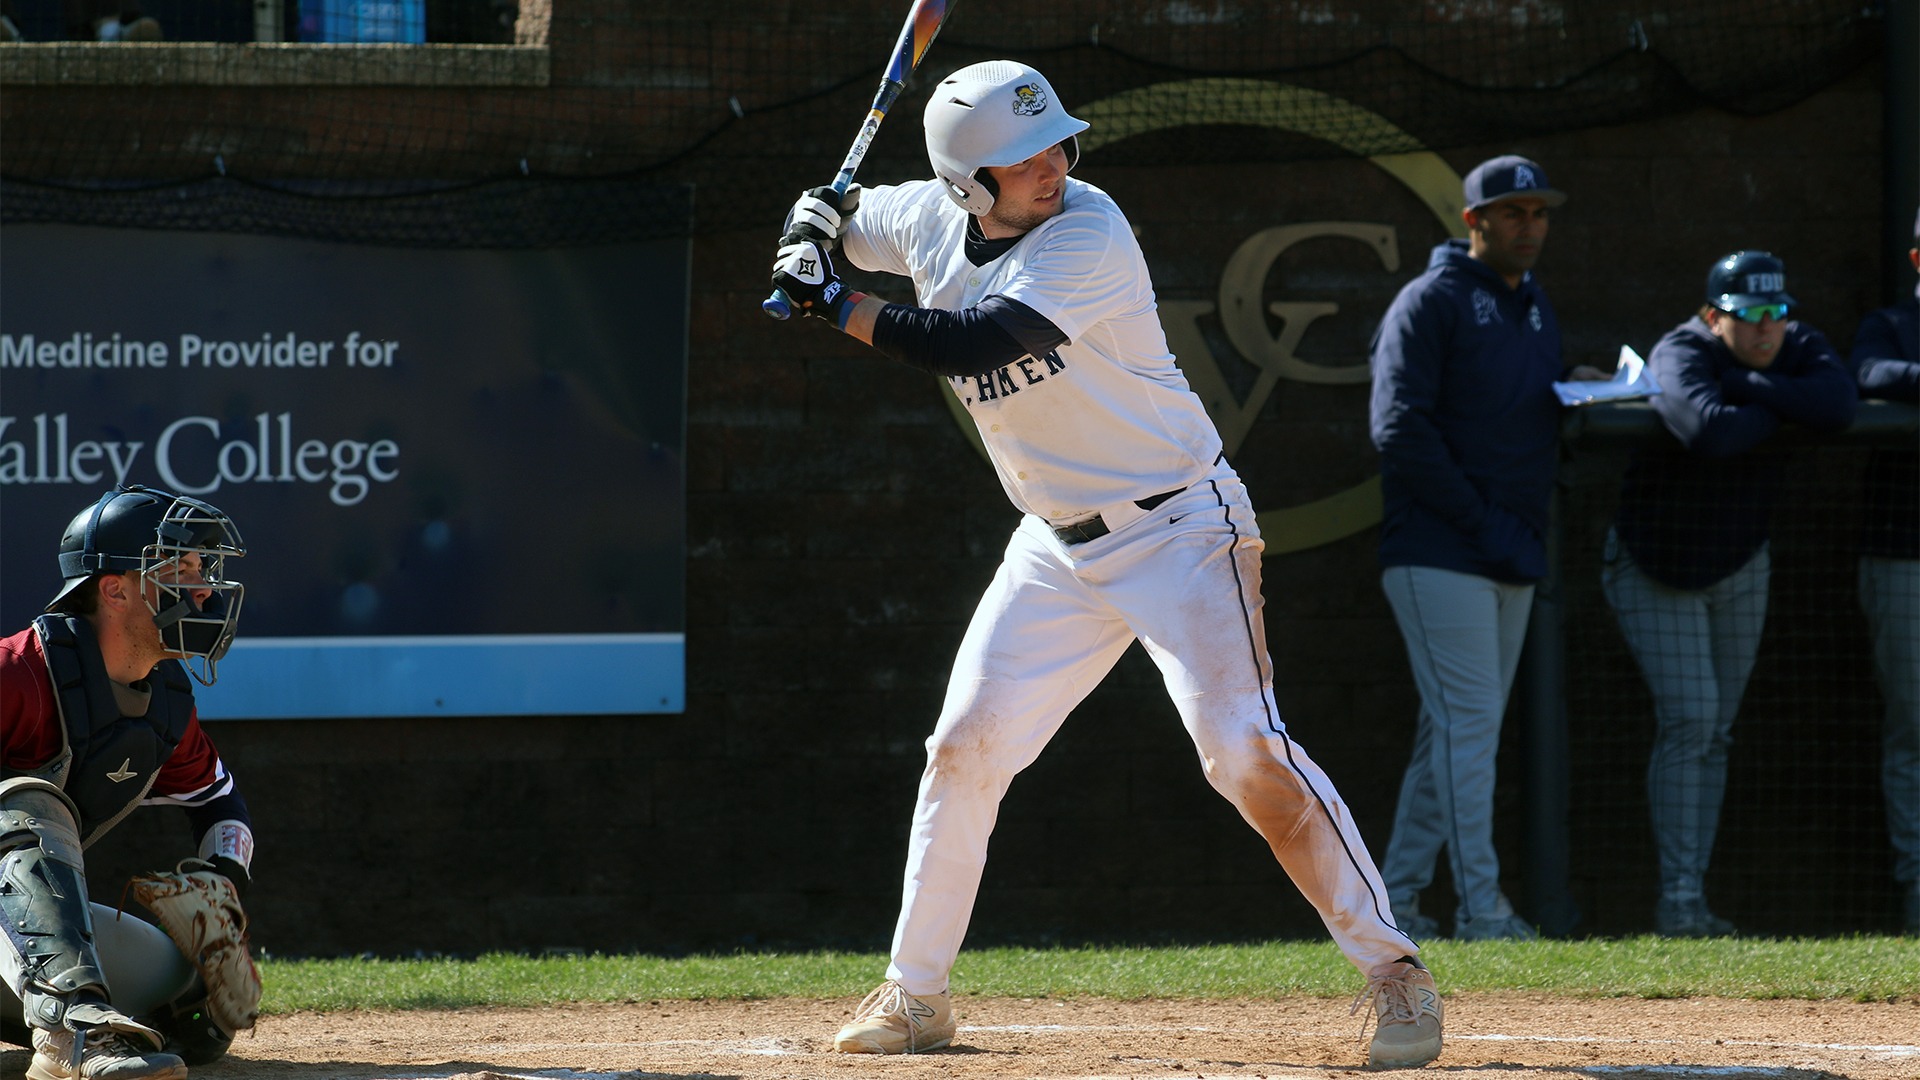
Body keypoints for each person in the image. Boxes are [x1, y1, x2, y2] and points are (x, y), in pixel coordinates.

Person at [768, 59, 1443, 1068]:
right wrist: (811, 225)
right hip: (1052, 542)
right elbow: (849, 216)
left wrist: (835, 305)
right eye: (1019, 157)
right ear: (966, 182)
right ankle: (916, 998)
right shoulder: (924, 221)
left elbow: (983, 341)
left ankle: (1398, 978)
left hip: (1179, 529)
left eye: (1055, 142)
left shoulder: (1091, 228)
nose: (1051, 165)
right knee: (963, 747)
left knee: (1242, 751)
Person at [1368, 154, 1598, 942]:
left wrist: (1578, 380)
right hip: (1439, 551)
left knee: (1453, 732)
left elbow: (1505, 396)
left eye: (1539, 213)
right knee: (1470, 730)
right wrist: (1481, 521)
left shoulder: (1532, 304)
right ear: (1474, 221)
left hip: (1508, 549)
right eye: (1512, 213)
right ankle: (1483, 910)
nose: (1528, 227)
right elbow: (1398, 428)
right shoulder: (1429, 301)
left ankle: (1395, 899)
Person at [1602, 251, 1856, 936]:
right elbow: (1709, 431)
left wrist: (1752, 388)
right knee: (1693, 721)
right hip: (1658, 565)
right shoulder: (1680, 347)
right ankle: (1680, 899)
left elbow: (1838, 404)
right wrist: (1779, 399)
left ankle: (1691, 897)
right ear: (1715, 316)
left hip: (1741, 564)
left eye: (1777, 313)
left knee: (1715, 731)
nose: (1769, 329)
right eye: (1749, 317)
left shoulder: (1793, 344)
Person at [2, 484, 259, 1079]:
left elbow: (221, 803)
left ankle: (83, 1014)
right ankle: (71, 1034)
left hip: (9, 942)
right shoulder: (17, 674)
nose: (201, 588)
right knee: (27, 806)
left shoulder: (164, 705)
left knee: (182, 983)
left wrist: (221, 888)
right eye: (179, 568)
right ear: (113, 589)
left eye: (202, 568)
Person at [1849, 212, 1919, 935]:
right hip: (1907, 557)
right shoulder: (1893, 326)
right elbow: (1865, 375)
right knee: (1916, 729)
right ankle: (1918, 896)